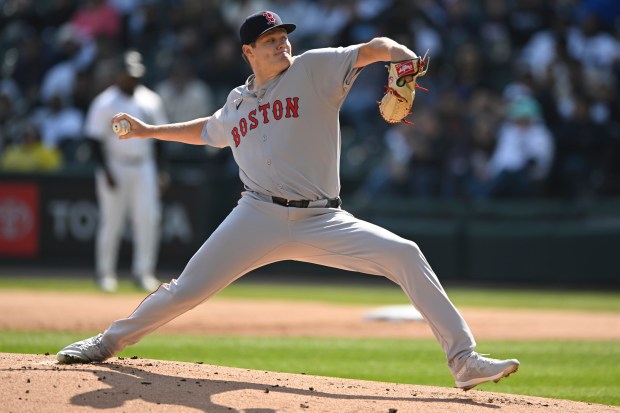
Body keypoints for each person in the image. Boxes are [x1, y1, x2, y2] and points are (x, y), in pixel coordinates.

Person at [57, 11, 519, 391]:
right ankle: (107, 342)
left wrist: (403, 58)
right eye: (269, 40)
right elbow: (206, 131)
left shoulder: (314, 68)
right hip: (256, 214)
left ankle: (464, 360)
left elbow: (375, 47)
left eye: (282, 36)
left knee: (405, 254)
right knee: (186, 290)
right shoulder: (237, 102)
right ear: (248, 52)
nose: (281, 45)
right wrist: (148, 130)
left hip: (324, 219)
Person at [84, 50, 168, 292]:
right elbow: (94, 140)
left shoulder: (150, 99)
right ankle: (105, 273)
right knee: (112, 221)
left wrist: (162, 171)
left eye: (135, 75)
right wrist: (106, 171)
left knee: (148, 219)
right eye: (127, 75)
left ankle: (143, 272)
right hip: (115, 164)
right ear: (118, 75)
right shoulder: (105, 102)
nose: (131, 80)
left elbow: (160, 137)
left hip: (144, 165)